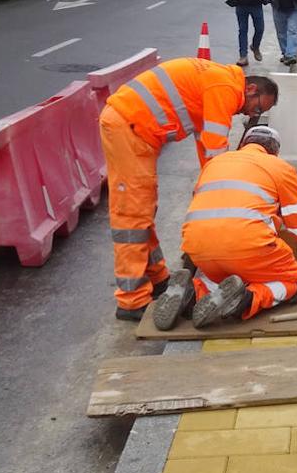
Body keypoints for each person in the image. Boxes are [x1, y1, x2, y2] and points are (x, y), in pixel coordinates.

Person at [98, 58, 278, 321]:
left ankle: (158, 279)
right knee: (132, 214)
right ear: (251, 90)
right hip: (130, 126)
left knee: (144, 207)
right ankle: (131, 300)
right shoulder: (225, 88)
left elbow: (206, 149)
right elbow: (216, 150)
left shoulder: (217, 85)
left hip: (136, 129)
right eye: (258, 107)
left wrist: (209, 188)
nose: (253, 114)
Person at [152, 126, 297, 330]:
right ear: (274, 151)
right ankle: (246, 298)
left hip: (199, 249)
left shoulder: (214, 164)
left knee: (222, 279)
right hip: (248, 246)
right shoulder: (280, 167)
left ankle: (194, 291)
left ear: (243, 144)